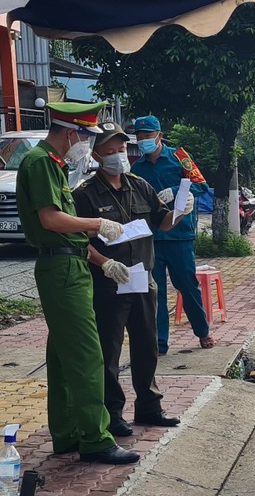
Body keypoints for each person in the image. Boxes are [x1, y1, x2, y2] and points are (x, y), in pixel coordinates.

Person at [15, 102, 139, 465]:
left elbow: (66, 236)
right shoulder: (41, 163)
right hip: (62, 273)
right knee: (87, 355)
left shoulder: (49, 164)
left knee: (64, 357)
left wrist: (104, 262)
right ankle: (96, 438)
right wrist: (95, 223)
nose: (85, 144)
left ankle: (68, 433)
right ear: (72, 133)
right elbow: (52, 220)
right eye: (86, 137)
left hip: (70, 267)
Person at [74, 122, 195, 437]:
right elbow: (75, 240)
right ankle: (112, 413)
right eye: (110, 150)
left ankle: (149, 407)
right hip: (109, 281)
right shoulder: (85, 194)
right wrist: (105, 263)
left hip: (142, 278)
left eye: (120, 149)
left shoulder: (139, 185)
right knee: (109, 350)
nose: (118, 155)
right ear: (97, 155)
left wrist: (181, 211)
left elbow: (162, 222)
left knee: (147, 345)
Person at [130, 115, 213, 354]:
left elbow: (201, 185)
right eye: (140, 137)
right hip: (152, 237)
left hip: (180, 235)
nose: (144, 140)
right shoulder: (137, 168)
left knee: (187, 286)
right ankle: (159, 343)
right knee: (155, 292)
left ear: (159, 135)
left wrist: (176, 191)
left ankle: (203, 331)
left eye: (148, 136)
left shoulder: (180, 157)